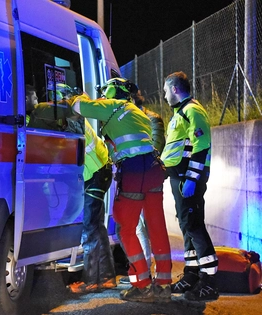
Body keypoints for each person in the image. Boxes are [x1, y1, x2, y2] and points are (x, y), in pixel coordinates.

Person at [69, 78, 172, 303]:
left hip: (134, 171)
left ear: (113, 91)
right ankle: (164, 285)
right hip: (154, 169)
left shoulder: (113, 105)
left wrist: (80, 96)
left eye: (106, 91)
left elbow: (77, 106)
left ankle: (142, 286)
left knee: (126, 228)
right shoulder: (136, 111)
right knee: (156, 226)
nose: (103, 95)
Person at [161, 71, 219, 301]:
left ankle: (210, 282)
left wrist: (192, 180)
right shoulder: (180, 113)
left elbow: (201, 144)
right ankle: (192, 275)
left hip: (187, 178)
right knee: (187, 225)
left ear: (175, 89)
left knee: (194, 226)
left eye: (166, 91)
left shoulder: (192, 111)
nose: (164, 96)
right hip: (180, 178)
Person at [118, 89, 166, 284]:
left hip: (147, 178)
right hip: (134, 178)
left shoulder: (151, 119)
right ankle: (143, 272)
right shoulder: (127, 119)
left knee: (148, 226)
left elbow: (155, 147)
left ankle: (152, 275)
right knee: (137, 226)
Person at [67, 119, 117, 293]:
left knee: (89, 229)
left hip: (95, 173)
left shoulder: (71, 118)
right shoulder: (77, 116)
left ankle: (91, 281)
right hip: (99, 172)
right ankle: (107, 278)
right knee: (97, 228)